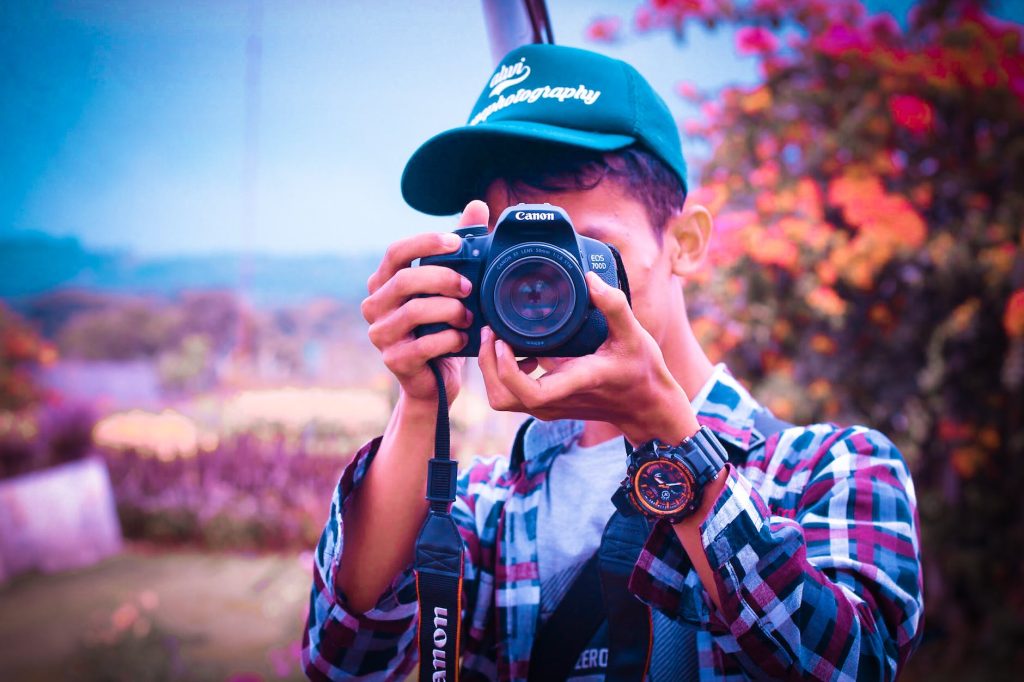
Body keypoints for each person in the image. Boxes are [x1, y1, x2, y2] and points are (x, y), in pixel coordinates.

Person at [302, 43, 924, 681]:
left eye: (587, 251)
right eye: (515, 257)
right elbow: (344, 664)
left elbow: (857, 667)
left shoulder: (830, 469)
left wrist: (668, 439)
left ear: (684, 244)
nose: (548, 282)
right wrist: (421, 400)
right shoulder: (487, 504)